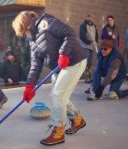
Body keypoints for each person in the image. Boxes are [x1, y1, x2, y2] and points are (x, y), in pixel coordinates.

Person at [12, 11, 87, 146]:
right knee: (57, 94)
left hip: (74, 61)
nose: (24, 35)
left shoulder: (46, 23)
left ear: (25, 26)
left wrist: (63, 54)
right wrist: (30, 87)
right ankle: (77, 119)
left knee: (58, 94)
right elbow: (35, 64)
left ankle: (58, 131)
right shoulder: (32, 38)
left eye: (23, 32)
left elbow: (70, 33)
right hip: (60, 66)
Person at [79, 14, 98, 83]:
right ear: (86, 18)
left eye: (91, 18)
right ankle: (86, 78)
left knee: (90, 62)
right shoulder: (83, 25)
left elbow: (96, 35)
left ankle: (91, 76)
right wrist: (88, 42)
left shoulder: (94, 26)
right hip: (85, 46)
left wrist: (96, 42)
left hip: (92, 46)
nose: (90, 19)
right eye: (89, 17)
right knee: (86, 62)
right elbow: (82, 36)